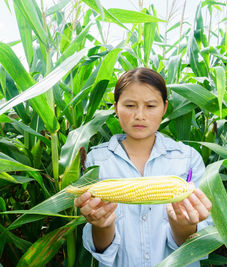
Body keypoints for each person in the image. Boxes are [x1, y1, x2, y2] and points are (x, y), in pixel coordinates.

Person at [73, 67, 213, 267]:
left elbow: (194, 246)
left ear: (164, 108)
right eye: (130, 105)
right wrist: (102, 225)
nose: (139, 115)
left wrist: (183, 226)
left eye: (150, 106)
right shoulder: (97, 161)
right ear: (115, 107)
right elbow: (101, 248)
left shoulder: (188, 159)